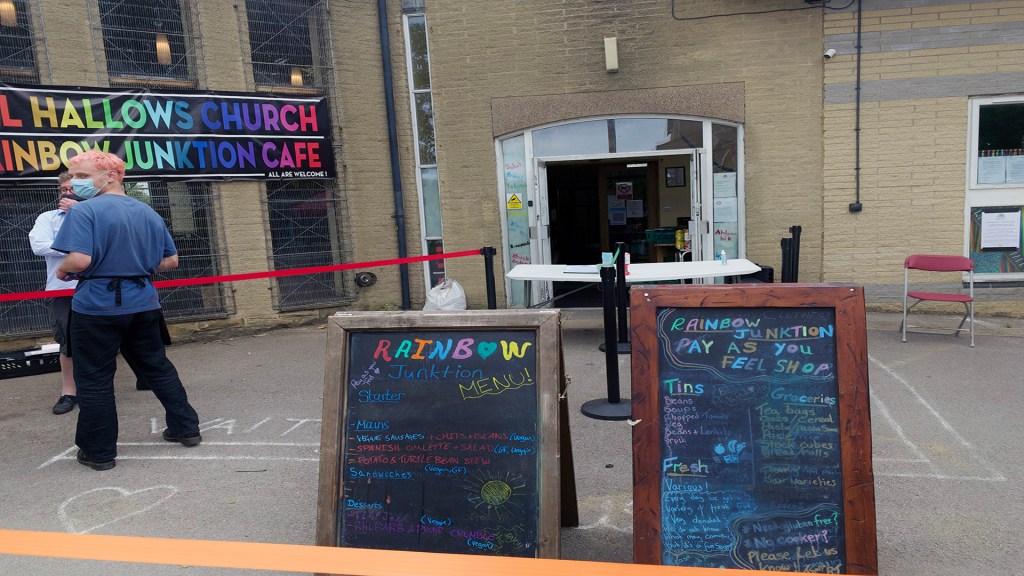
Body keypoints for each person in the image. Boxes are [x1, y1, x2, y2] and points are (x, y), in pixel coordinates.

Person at [52, 150, 201, 471]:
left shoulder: (84, 211)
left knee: (94, 378)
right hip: (144, 302)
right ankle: (186, 427)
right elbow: (171, 260)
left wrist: (63, 270)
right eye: (73, 176)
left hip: (97, 306)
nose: (75, 183)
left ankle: (98, 451)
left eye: (82, 176)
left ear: (111, 176)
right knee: (157, 367)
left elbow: (80, 260)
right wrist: (136, 265)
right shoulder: (148, 212)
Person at [28, 173, 82, 415]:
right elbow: (39, 245)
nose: (67, 194)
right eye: (63, 190)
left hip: (96, 287)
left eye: (73, 189)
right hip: (62, 289)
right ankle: (69, 391)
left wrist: (80, 213)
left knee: (102, 338)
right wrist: (78, 249)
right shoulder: (48, 218)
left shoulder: (97, 215)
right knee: (67, 341)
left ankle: (98, 387)